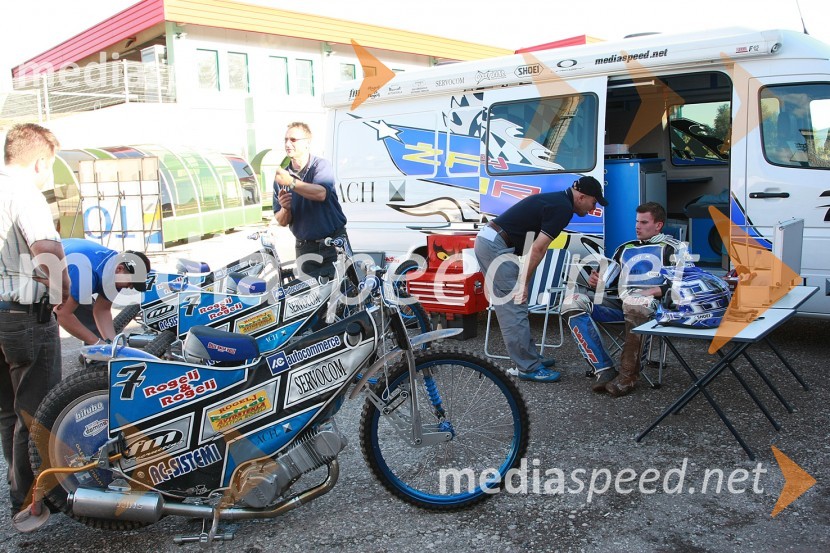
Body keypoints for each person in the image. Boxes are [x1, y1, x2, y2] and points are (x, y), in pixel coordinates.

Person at [474, 176, 608, 382]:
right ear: (581, 197)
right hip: (495, 245)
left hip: (496, 242)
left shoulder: (559, 202)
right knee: (513, 304)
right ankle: (528, 367)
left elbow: (537, 247)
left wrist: (523, 280)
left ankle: (530, 357)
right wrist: (522, 283)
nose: (593, 208)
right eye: (593, 202)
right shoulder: (562, 208)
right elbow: (538, 248)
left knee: (518, 302)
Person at [0, 123, 70, 516]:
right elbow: (44, 246)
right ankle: (33, 500)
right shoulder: (24, 192)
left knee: (8, 410)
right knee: (37, 411)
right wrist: (63, 294)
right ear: (41, 160)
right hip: (24, 314)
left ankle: (18, 487)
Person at [562, 202, 685, 397]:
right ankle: (603, 369)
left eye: (644, 222)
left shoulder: (675, 248)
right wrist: (597, 282)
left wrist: (655, 291)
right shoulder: (624, 248)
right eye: (637, 221)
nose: (637, 226)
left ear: (658, 225)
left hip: (654, 310)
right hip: (620, 304)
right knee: (571, 301)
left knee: (635, 303)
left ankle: (627, 377)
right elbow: (609, 282)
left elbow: (684, 283)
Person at [272, 122, 350, 280]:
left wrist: (291, 183)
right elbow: (281, 220)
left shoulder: (320, 166)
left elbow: (321, 193)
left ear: (307, 142)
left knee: (343, 297)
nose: (288, 144)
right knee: (310, 299)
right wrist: (285, 209)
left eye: (293, 140)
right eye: (286, 139)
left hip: (333, 244)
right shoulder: (282, 176)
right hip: (305, 248)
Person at [54, 238, 150, 345]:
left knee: (91, 323)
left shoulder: (116, 272)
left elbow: (102, 310)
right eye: (131, 282)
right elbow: (62, 314)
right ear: (119, 269)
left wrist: (114, 345)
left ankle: (97, 355)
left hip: (72, 275)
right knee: (47, 328)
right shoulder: (87, 273)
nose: (131, 287)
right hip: (42, 273)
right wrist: (96, 343)